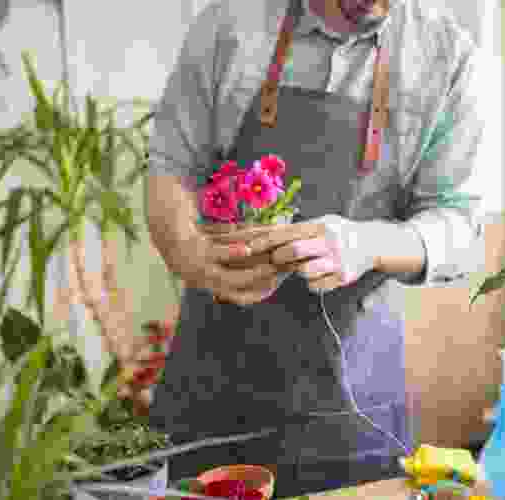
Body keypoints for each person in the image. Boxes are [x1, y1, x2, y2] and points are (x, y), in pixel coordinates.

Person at [134, 0, 484, 496]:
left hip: (350, 409)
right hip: (208, 394)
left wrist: (368, 243)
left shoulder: (446, 54)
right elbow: (172, 167)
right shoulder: (230, 25)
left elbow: (459, 222)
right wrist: (191, 253)